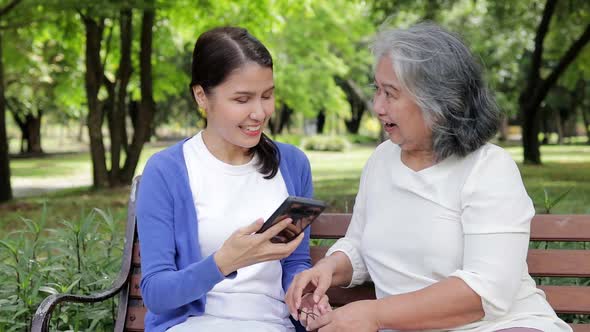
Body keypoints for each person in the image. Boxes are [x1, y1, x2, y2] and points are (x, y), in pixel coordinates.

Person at [285, 22, 572, 332]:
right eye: (377, 90)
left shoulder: (488, 169)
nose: (377, 107)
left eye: (390, 93)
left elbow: (485, 293)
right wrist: (329, 268)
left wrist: (375, 314)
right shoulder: (381, 161)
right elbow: (361, 245)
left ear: (437, 104)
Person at [136, 26, 326, 332]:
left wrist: (302, 293)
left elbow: (295, 262)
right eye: (242, 99)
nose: (259, 112)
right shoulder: (167, 170)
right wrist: (224, 262)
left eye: (267, 95)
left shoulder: (292, 164)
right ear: (201, 96)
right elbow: (157, 294)